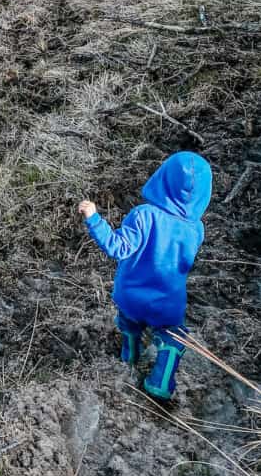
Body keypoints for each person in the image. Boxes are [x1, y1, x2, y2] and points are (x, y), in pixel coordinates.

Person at [78, 151, 212, 401]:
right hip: (166, 302)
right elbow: (185, 262)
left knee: (129, 321)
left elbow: (117, 247)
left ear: (162, 178)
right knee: (174, 335)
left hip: (129, 296)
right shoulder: (196, 229)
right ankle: (159, 383)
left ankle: (129, 357)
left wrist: (94, 218)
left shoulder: (144, 215)